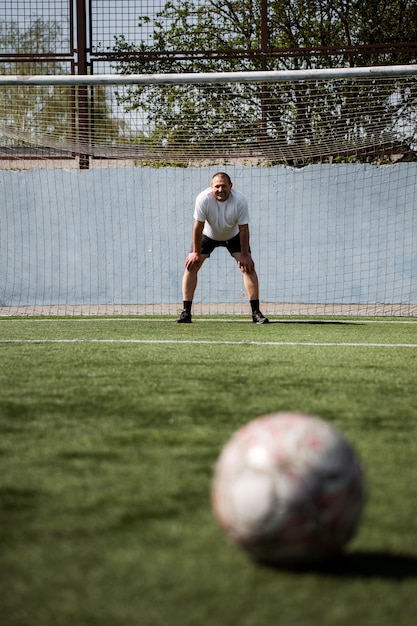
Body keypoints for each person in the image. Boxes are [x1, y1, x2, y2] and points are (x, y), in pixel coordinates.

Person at [177, 172, 269, 324]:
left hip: (234, 235)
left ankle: (256, 313)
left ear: (230, 187)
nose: (220, 189)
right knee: (191, 266)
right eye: (217, 186)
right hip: (208, 235)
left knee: (248, 268)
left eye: (224, 186)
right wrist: (195, 252)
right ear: (211, 187)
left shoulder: (240, 200)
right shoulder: (203, 199)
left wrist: (245, 255)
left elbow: (244, 229)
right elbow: (198, 227)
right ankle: (186, 312)